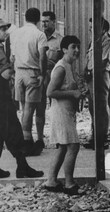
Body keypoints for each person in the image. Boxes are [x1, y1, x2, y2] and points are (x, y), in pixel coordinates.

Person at [0, 19, 44, 179]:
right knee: (14, 131)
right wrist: (12, 68)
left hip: (3, 96)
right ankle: (22, 168)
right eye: (3, 29)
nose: (5, 33)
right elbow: (4, 73)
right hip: (2, 98)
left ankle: (22, 167)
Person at [44, 35, 84, 195]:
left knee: (62, 147)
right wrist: (73, 93)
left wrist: (77, 94)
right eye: (73, 47)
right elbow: (50, 92)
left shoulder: (68, 66)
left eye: (78, 47)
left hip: (67, 112)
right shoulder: (61, 67)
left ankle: (51, 181)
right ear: (64, 49)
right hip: (60, 112)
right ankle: (69, 183)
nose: (77, 50)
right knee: (73, 146)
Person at [10, 8, 48, 156]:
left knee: (24, 107)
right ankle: (26, 141)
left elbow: (12, 56)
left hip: (19, 72)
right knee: (29, 109)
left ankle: (27, 138)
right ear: (38, 19)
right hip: (32, 72)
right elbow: (43, 57)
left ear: (25, 17)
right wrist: (42, 74)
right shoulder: (39, 34)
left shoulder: (16, 33)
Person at [30, 11, 63, 156]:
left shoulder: (60, 40)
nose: (44, 24)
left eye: (47, 21)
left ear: (54, 22)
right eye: (42, 21)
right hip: (41, 76)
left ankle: (59, 138)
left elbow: (64, 60)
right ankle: (40, 138)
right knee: (40, 107)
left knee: (57, 108)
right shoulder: (38, 37)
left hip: (55, 76)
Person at [84, 18, 110, 150]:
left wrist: (91, 71)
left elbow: (103, 61)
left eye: (93, 27)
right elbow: (89, 59)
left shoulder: (108, 42)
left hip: (101, 76)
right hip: (92, 77)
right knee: (93, 107)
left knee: (102, 107)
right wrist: (86, 71)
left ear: (103, 29)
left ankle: (105, 137)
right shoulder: (93, 42)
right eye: (90, 26)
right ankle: (96, 136)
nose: (91, 29)